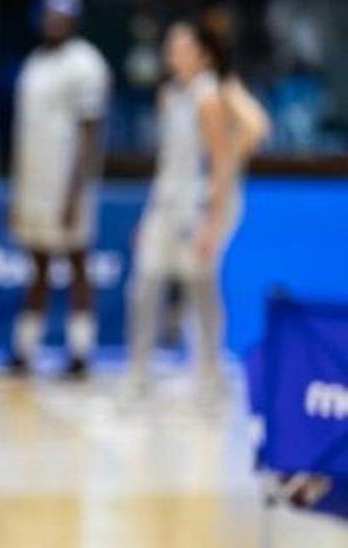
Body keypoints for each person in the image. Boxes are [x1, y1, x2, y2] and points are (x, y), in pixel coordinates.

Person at [124, 20, 268, 402]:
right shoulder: (169, 95)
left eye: (182, 46)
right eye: (170, 46)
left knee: (200, 288)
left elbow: (225, 158)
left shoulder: (212, 95)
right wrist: (149, 214)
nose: (173, 53)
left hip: (201, 204)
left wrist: (212, 219)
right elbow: (167, 162)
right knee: (145, 284)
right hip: (168, 202)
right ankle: (138, 374)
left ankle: (209, 377)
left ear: (202, 54)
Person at [6, 0, 110, 379]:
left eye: (61, 15)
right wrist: (17, 190)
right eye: (50, 14)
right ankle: (25, 350)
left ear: (74, 19)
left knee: (78, 263)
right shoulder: (35, 63)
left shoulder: (87, 64)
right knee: (37, 265)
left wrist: (74, 193)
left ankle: (81, 352)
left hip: (68, 185)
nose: (54, 22)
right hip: (34, 182)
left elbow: (89, 133)